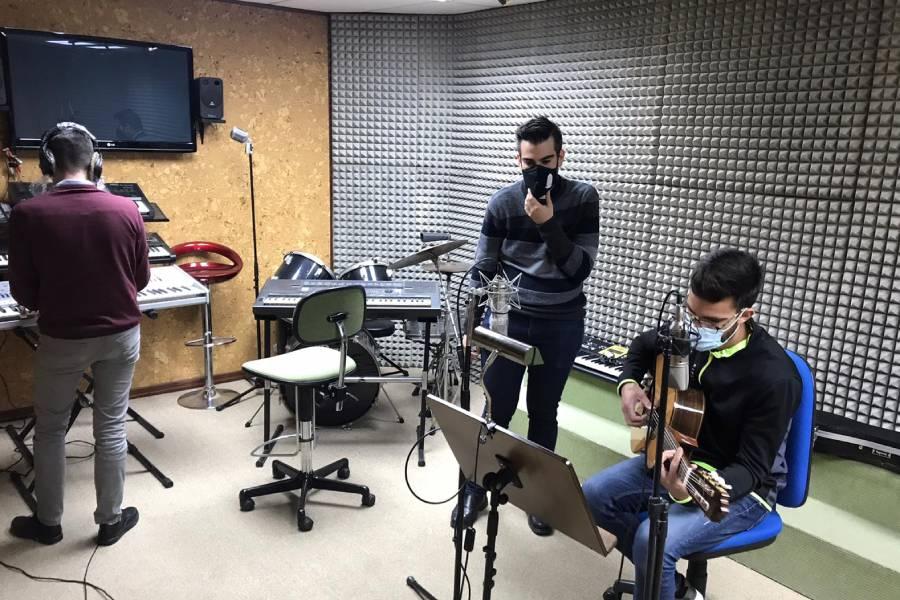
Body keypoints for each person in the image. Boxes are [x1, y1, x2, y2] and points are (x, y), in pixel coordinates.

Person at [582, 248, 801, 600]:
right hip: (677, 452)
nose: (697, 329)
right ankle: (675, 589)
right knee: (592, 497)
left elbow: (752, 468)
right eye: (692, 314)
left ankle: (658, 578)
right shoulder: (689, 335)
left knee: (651, 540)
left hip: (738, 488)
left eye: (712, 322)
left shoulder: (775, 378)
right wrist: (629, 385)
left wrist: (691, 490)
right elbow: (640, 346)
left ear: (746, 314)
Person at [455, 116, 600, 536]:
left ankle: (538, 498)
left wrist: (547, 222)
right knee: (495, 410)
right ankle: (475, 488)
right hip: (509, 321)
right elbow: (483, 271)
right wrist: (473, 327)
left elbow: (577, 271)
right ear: (517, 159)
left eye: (547, 161)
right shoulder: (501, 203)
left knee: (543, 411)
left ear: (562, 156)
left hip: (562, 323)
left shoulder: (584, 199)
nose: (538, 170)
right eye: (529, 162)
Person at [8, 122, 149, 546]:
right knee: (110, 426)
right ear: (96, 163)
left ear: (47, 164)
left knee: (50, 429)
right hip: (121, 336)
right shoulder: (127, 210)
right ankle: (109, 521)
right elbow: (140, 279)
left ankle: (48, 523)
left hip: (62, 339)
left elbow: (22, 292)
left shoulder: (27, 214)